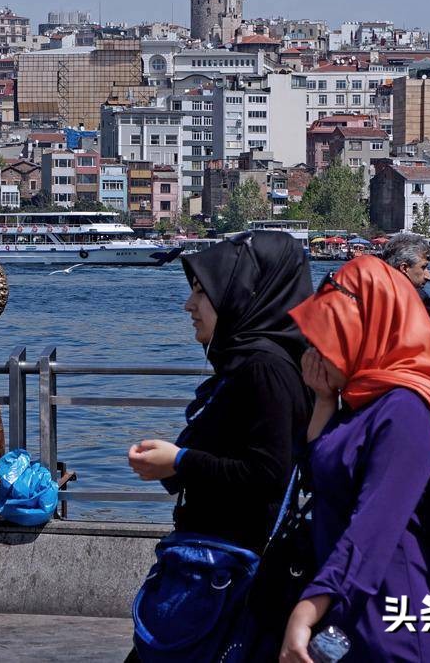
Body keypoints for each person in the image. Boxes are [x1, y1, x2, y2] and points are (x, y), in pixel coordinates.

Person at [282, 255, 430, 662]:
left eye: (330, 335)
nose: (317, 349)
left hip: (402, 625)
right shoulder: (360, 399)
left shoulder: (405, 408)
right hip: (355, 613)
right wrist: (325, 401)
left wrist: (309, 608)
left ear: (370, 329)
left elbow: (372, 527)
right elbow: (318, 478)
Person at [126, 231, 313, 659]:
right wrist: (173, 465)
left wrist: (182, 460)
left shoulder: (265, 368)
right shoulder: (246, 362)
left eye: (202, 293)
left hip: (228, 573)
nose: (189, 306)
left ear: (242, 294)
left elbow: (266, 473)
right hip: (212, 568)